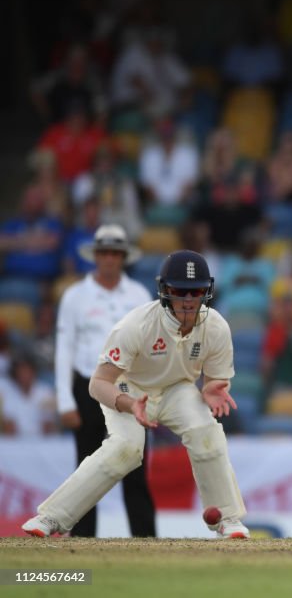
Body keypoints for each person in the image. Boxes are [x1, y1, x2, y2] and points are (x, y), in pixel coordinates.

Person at [23, 249, 249, 539]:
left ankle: (227, 519)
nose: (189, 300)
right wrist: (129, 404)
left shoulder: (216, 326)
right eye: (180, 291)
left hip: (177, 388)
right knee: (125, 450)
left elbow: (214, 380)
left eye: (197, 291)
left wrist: (211, 389)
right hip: (129, 387)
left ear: (208, 291)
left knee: (207, 433)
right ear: (165, 291)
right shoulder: (136, 324)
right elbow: (98, 383)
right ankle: (51, 518)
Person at [53, 224, 156, 536]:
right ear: (95, 256)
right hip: (87, 388)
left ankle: (147, 542)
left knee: (134, 467)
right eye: (104, 253)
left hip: (129, 390)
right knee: (87, 470)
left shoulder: (138, 294)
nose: (110, 259)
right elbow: (64, 347)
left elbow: (150, 347)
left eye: (115, 253)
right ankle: (82, 542)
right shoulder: (75, 296)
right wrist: (64, 401)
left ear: (123, 257)